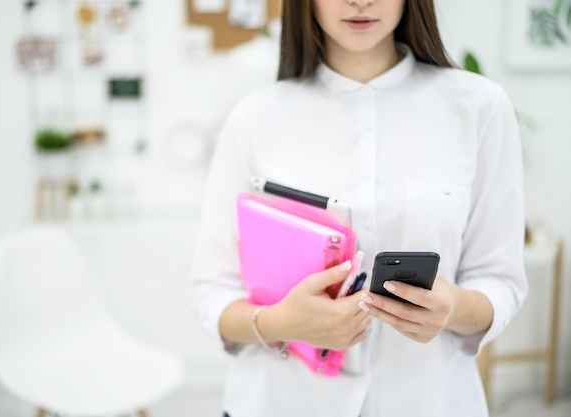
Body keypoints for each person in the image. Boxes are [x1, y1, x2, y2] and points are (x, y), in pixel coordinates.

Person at [191, 1, 528, 416]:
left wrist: (454, 307)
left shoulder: (480, 108)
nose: (360, 1)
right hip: (280, 402)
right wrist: (282, 323)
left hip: (428, 401)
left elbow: (501, 280)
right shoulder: (254, 119)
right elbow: (213, 294)